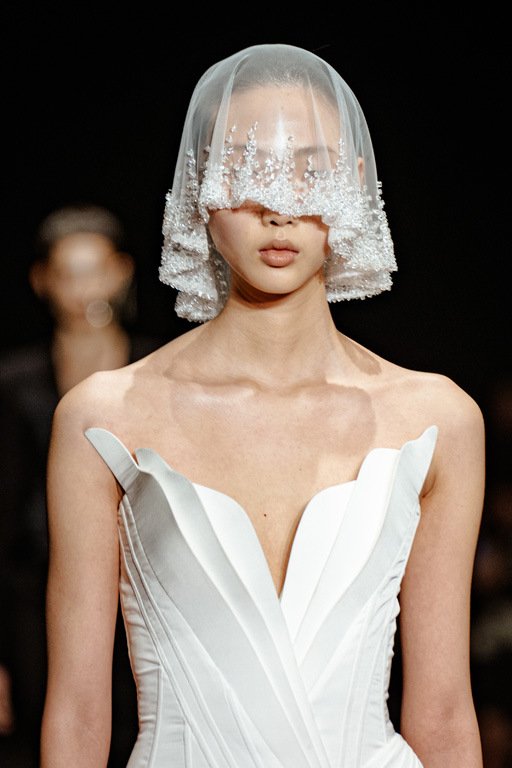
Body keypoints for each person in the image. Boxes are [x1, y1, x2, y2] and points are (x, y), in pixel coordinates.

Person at [40, 45, 485, 767]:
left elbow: (442, 712)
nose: (279, 206)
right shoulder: (105, 417)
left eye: (311, 169)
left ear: (354, 184)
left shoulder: (438, 418)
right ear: (199, 186)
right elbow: (78, 712)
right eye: (245, 170)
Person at [0, 203, 158, 766]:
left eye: (95, 269)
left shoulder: (159, 371)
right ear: (41, 280)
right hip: (36, 595)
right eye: (68, 273)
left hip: (142, 590)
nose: (83, 288)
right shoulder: (14, 383)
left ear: (122, 271)